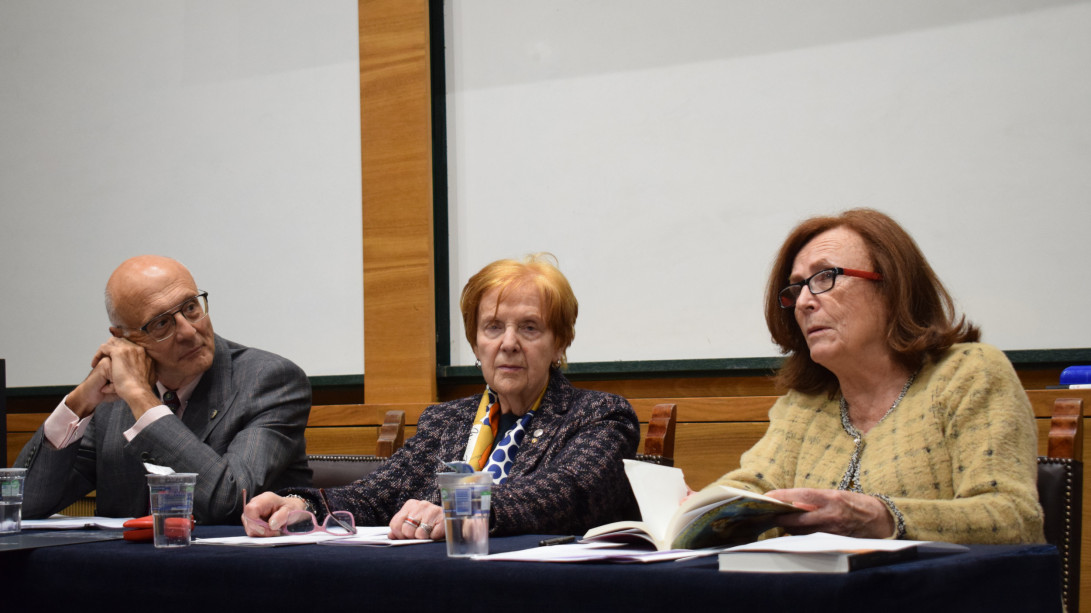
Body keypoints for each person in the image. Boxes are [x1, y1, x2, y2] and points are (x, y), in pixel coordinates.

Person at [243, 254, 640, 540]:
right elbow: (375, 494)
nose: (508, 344)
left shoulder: (600, 416)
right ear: (475, 343)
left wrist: (461, 507)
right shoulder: (447, 421)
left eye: (530, 328)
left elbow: (563, 492)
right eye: (493, 327)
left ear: (559, 344)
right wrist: (299, 503)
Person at [708, 208, 1044, 544]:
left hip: (948, 593)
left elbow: (1011, 516)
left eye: (825, 277)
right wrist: (692, 509)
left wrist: (884, 518)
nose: (804, 302)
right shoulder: (805, 404)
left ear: (891, 286)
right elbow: (751, 486)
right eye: (796, 288)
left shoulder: (969, 373)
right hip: (826, 594)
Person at [15, 255, 312, 524]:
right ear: (123, 338)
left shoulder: (270, 380)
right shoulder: (112, 401)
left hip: (235, 572)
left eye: (191, 308)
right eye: (161, 323)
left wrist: (142, 400)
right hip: (117, 573)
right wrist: (80, 402)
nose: (188, 331)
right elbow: (23, 505)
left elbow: (228, 500)